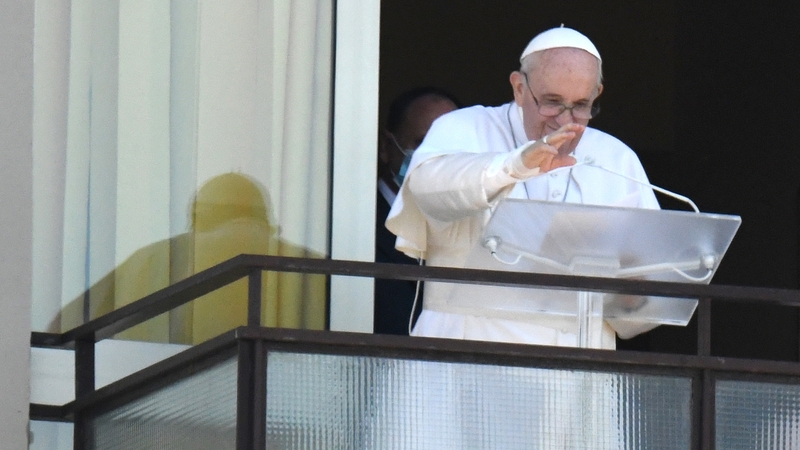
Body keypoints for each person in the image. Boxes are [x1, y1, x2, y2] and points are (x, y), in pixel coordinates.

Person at [386, 26, 660, 349]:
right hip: (468, 366)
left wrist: (633, 296)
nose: (565, 122)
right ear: (519, 88)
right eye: (552, 103)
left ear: (596, 94)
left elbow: (644, 305)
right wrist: (513, 166)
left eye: (581, 106)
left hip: (573, 380)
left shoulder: (616, 159)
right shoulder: (465, 128)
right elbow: (428, 190)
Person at [375, 87, 460, 335]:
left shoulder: (477, 228)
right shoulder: (353, 226)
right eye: (424, 144)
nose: (437, 159)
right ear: (386, 146)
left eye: (452, 148)